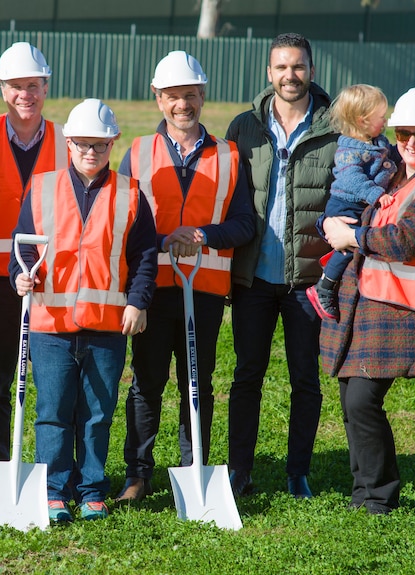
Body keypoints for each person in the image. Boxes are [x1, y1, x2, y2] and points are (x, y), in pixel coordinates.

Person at [115, 51, 255, 502]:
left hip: (206, 291)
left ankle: (193, 467)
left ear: (202, 96)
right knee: (147, 381)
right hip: (152, 289)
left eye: (190, 95)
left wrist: (203, 235)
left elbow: (244, 225)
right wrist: (160, 242)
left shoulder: (229, 156)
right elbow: (119, 223)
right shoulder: (137, 153)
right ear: (158, 98)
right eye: (173, 96)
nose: (183, 105)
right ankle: (138, 473)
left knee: (199, 383)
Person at [320, 87, 415, 514]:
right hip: (361, 302)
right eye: (404, 134)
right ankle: (362, 492)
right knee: (351, 399)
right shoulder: (393, 173)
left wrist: (353, 236)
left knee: (364, 400)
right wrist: (330, 222)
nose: (411, 144)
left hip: (397, 309)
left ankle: (380, 496)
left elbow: (408, 239)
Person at [10, 98, 157, 522]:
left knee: (96, 414)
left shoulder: (130, 193)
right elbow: (20, 248)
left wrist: (138, 301)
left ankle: (92, 489)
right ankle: (55, 491)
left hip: (108, 327)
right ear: (68, 143)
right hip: (50, 325)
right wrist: (16, 278)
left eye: (100, 144)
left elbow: (145, 254)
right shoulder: (41, 188)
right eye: (82, 144)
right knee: (53, 412)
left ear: (113, 143)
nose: (91, 152)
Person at [224, 32, 339, 499]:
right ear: (268, 73)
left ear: (311, 69)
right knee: (247, 375)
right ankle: (239, 470)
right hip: (254, 276)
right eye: (281, 68)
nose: (289, 76)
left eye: (298, 67)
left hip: (307, 279)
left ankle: (298, 472)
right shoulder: (244, 126)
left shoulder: (336, 125)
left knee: (305, 379)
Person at [0, 42, 68, 501]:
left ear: (45, 87)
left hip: (52, 284)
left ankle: (52, 475)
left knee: (52, 384)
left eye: (33, 85)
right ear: (1, 88)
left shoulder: (69, 141)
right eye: (15, 86)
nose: (24, 94)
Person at [308, 84, 397, 321]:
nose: (385, 120)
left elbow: (391, 156)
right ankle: (324, 286)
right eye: (381, 117)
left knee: (354, 244)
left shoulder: (377, 141)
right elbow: (352, 179)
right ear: (363, 120)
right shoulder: (348, 149)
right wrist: (377, 194)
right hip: (344, 205)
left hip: (358, 204)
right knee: (349, 247)